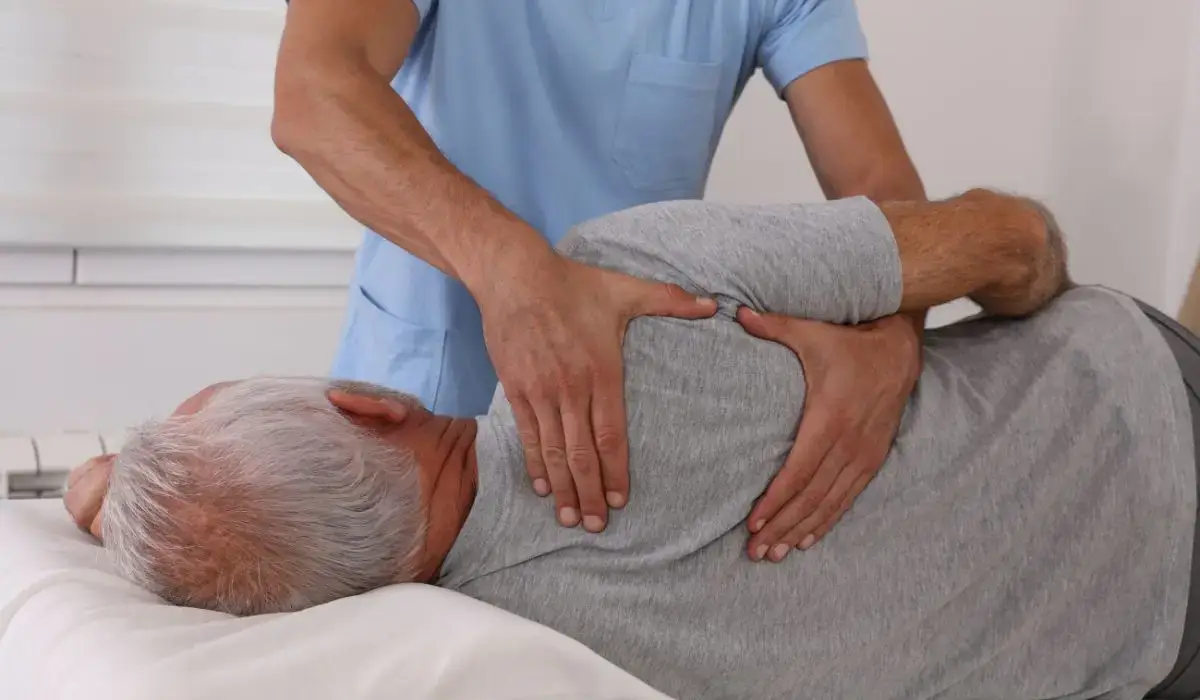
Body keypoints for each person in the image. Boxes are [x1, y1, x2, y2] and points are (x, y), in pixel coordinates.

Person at [66, 190, 1199, 700]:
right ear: (371, 402)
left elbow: (193, 532)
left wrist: (116, 497)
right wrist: (888, 333)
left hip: (1157, 645)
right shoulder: (629, 281)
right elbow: (1019, 240)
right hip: (1144, 396)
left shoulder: (529, 665)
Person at [273, 0, 928, 539]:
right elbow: (315, 93)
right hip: (423, 402)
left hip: (618, 423)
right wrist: (516, 274)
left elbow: (877, 184)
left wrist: (892, 340)